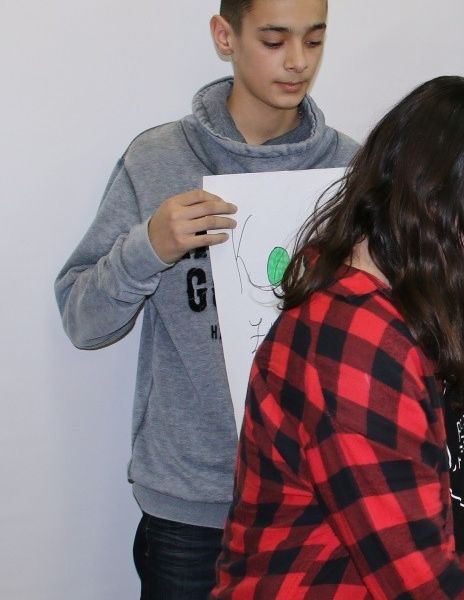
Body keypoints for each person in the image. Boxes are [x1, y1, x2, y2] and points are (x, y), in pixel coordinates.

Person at [211, 75, 464, 599]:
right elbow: (420, 583)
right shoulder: (357, 342)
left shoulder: (377, 302)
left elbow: (392, 466)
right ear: (444, 203)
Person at [54, 1, 358, 597]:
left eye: (314, 40)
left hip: (318, 497)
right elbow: (82, 320)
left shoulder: (350, 169)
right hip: (191, 509)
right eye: (274, 40)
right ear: (225, 36)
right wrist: (149, 246)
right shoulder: (158, 160)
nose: (298, 62)